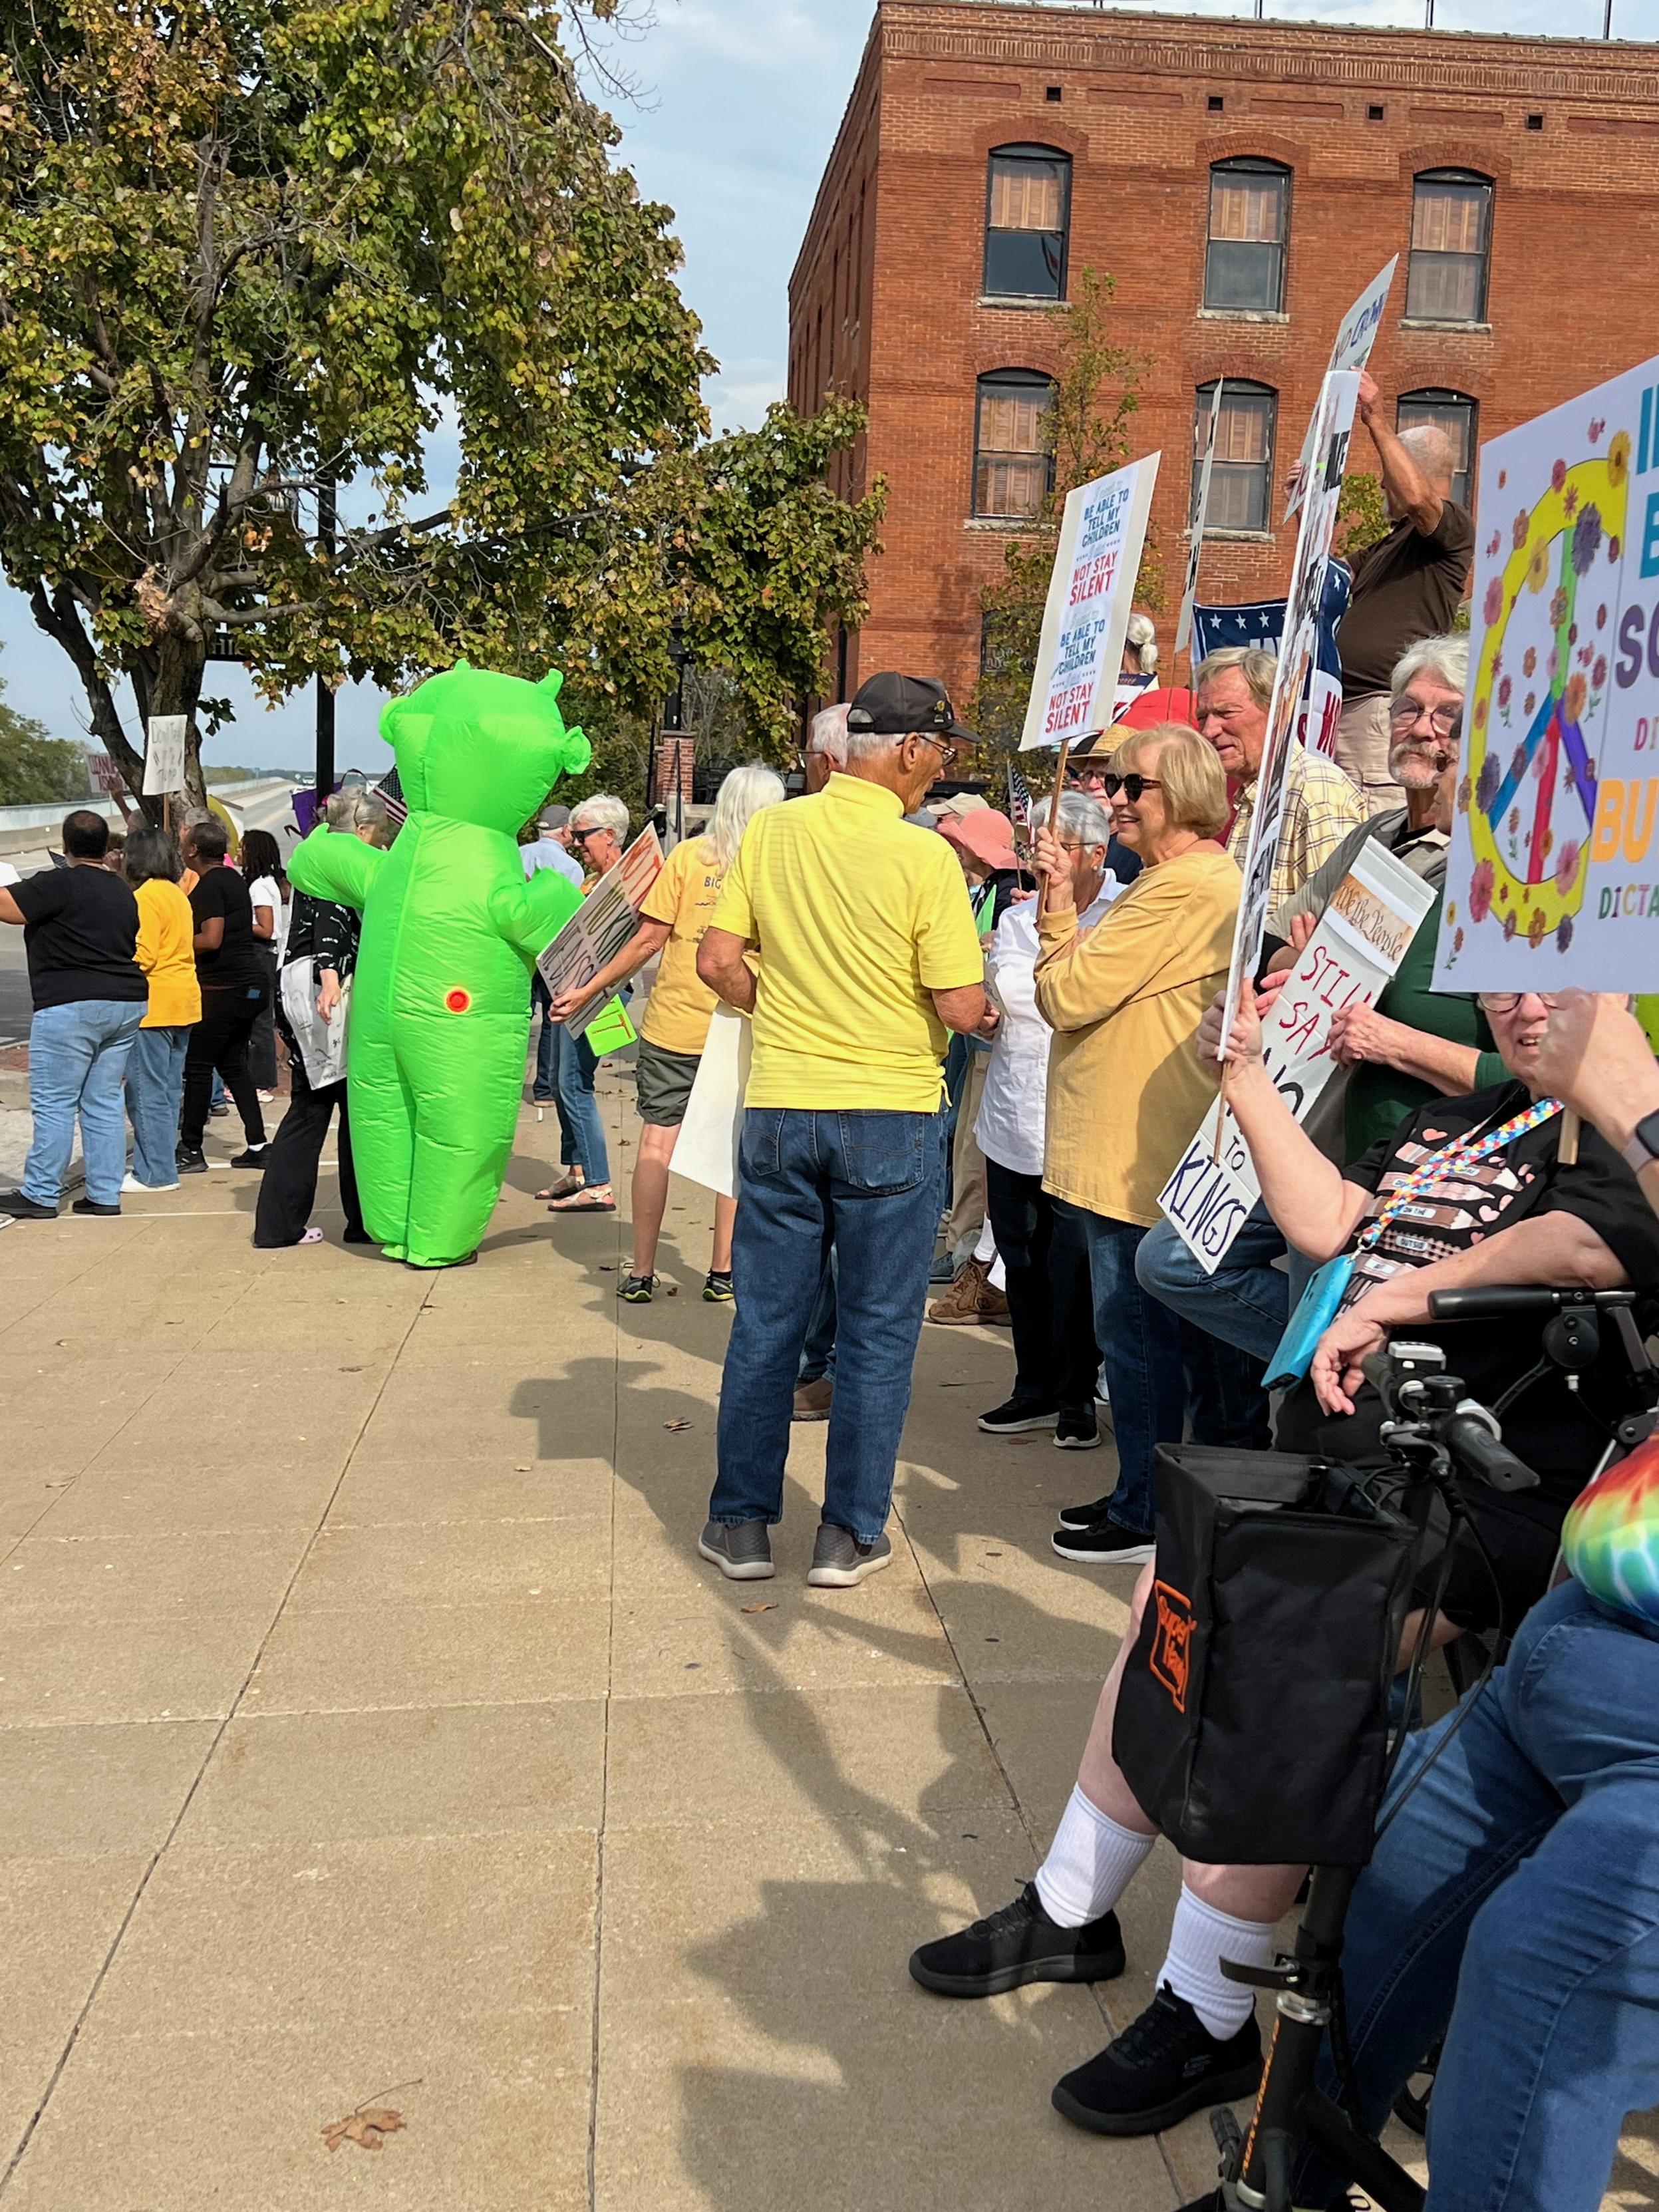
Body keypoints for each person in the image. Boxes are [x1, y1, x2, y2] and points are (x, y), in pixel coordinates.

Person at [912, 984, 1659, 2147]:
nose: (1520, 1002)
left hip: (1480, 1487)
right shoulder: (1466, 1119)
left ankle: (1207, 2010)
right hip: (1339, 1455)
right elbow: (1331, 1223)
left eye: (1552, 979)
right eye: (1502, 976)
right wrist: (1247, 1080)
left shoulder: (1614, 1132)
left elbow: (1587, 1242)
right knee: (1167, 1594)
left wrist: (1400, 1297)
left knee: (1276, 1651)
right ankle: (1070, 1904)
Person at [1135, 635, 1499, 1382]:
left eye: (1449, 716)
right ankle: (1327, 1354)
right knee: (1172, 1260)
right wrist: (1301, 966)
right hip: (1316, 1135)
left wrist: (1392, 1039)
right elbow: (1275, 949)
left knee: (1331, 1403)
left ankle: (1337, 1365)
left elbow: (1533, 1076)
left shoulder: (1496, 873)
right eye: (1408, 710)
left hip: (1413, 1170)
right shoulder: (1376, 837)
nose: (1423, 729)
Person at [694, 671, 987, 1588]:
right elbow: (958, 1003)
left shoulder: (773, 830)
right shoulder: (924, 857)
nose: (940, 771)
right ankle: (848, 1532)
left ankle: (740, 1522)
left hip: (783, 1102)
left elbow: (717, 960)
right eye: (939, 753)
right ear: (908, 749)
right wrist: (981, 1011)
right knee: (876, 1332)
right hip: (889, 1111)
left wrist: (778, 1005)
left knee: (767, 1323)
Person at [1031, 724, 1249, 1567]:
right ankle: (1157, 1495)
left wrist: (1057, 912)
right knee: (1160, 1342)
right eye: (1111, 782)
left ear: (1185, 792)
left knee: (1139, 1340)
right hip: (1134, 1151)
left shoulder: (1184, 886)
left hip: (1138, 1159)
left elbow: (1067, 994)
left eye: (1133, 785)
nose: (1113, 798)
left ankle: (1150, 1508)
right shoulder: (1173, 881)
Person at [549, 764, 787, 1301]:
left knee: (657, 1141)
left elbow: (647, 940)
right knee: (735, 1148)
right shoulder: (774, 866)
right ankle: (723, 1271)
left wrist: (589, 988)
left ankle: (641, 1271)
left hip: (674, 1022)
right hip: (741, 1023)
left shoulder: (688, 857)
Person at [975, 792, 1120, 1446]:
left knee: (1075, 1268)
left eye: (1056, 846)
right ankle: (1031, 1384)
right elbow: (1007, 995)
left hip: (1082, 1118)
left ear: (1095, 853)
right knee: (1023, 1258)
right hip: (1013, 1115)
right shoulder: (1016, 919)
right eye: (1036, 845)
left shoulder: (1124, 912)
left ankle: (1076, 1395)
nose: (1042, 858)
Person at [253, 790, 390, 1249]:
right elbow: (331, 927)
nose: (382, 841)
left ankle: (349, 1220)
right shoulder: (338, 862)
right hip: (325, 995)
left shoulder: (314, 853)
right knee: (325, 1110)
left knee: (326, 1106)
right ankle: (342, 1219)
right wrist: (331, 978)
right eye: (380, 832)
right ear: (363, 830)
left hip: (299, 988)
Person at [1334, 373, 1475, 814]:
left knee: (1373, 823)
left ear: (1411, 470)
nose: (1381, 486)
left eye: (1387, 474)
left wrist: (1375, 418)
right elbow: (1327, 578)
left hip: (1383, 716)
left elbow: (1417, 500)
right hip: (1349, 712)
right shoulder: (1389, 545)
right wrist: (1307, 509)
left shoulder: (1452, 529)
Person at [0, 808, 148, 1219]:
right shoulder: (122, 890)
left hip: (70, 1004)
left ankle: (41, 1192)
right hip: (125, 1003)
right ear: (105, 847)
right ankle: (104, 1193)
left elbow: (8, 908)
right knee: (103, 1101)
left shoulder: (59, 883)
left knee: (55, 1102)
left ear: (65, 846)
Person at [927, 806, 1026, 1324]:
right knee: (966, 1141)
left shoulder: (1009, 893)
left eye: (961, 842)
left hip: (994, 1039)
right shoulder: (989, 890)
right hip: (973, 1035)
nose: (956, 850)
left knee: (976, 1149)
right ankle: (965, 1247)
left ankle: (972, 1255)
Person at [1194, 646, 1366, 909]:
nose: (1209, 731)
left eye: (1226, 713)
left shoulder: (1316, 788)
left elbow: (1334, 912)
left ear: (1279, 711)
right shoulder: (1254, 794)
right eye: (1202, 717)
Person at [543, 793, 630, 1213]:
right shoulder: (593, 881)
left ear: (609, 835)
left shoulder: (629, 882)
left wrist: (590, 989)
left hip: (600, 994)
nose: (576, 844)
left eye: (583, 836)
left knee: (574, 1082)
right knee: (560, 1080)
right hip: (575, 989)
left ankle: (598, 1183)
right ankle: (578, 1169)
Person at [177, 815, 268, 1174]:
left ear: (194, 850)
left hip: (223, 988)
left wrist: (176, 943)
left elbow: (212, 938)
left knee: (198, 1066)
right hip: (248, 986)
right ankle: (258, 1144)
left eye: (184, 843)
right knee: (233, 1065)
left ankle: (191, 1149)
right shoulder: (233, 879)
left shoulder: (209, 887)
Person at [120, 827, 200, 1193]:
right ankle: (162, 1163)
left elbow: (145, 954)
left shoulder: (145, 896)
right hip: (185, 1000)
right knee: (167, 1092)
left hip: (155, 1004)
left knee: (145, 1092)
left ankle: (154, 1173)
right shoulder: (176, 894)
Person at [524, 804, 584, 1118]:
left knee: (517, 1018)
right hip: (553, 951)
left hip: (519, 950)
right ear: (565, 831)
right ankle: (544, 1089)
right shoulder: (572, 868)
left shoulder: (518, 855)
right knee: (551, 1018)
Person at [240, 827, 286, 1100]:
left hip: (260, 956)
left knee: (258, 1019)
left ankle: (260, 1081)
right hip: (266, 957)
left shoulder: (259, 887)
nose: (239, 852)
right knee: (260, 1017)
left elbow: (266, 928)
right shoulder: (268, 883)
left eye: (243, 848)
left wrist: (238, 923)